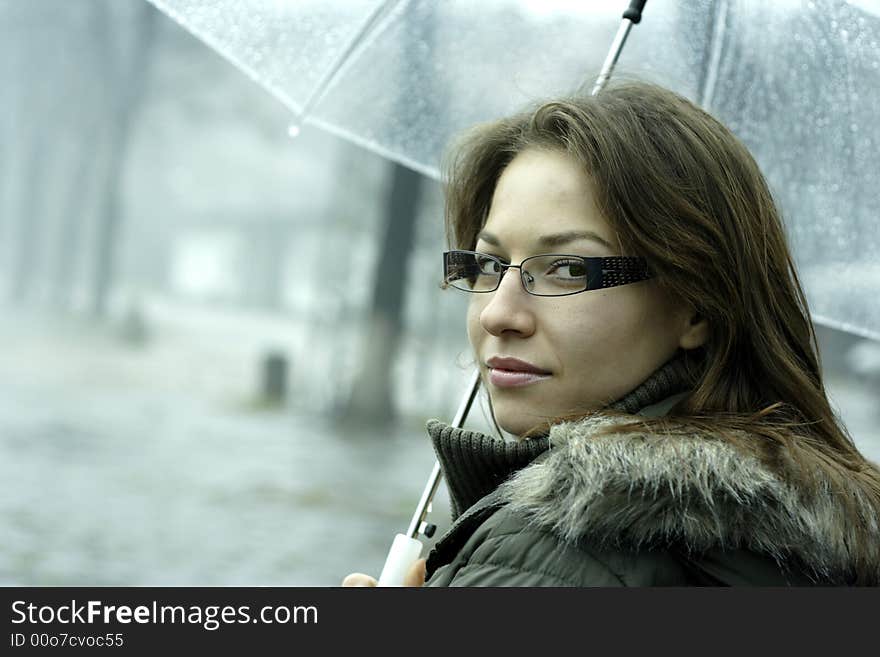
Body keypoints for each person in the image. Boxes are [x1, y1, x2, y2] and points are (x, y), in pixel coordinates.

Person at [343, 80, 880, 587]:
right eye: (489, 263)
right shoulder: (816, 530)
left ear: (696, 308)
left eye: (570, 269)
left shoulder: (560, 546)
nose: (497, 314)